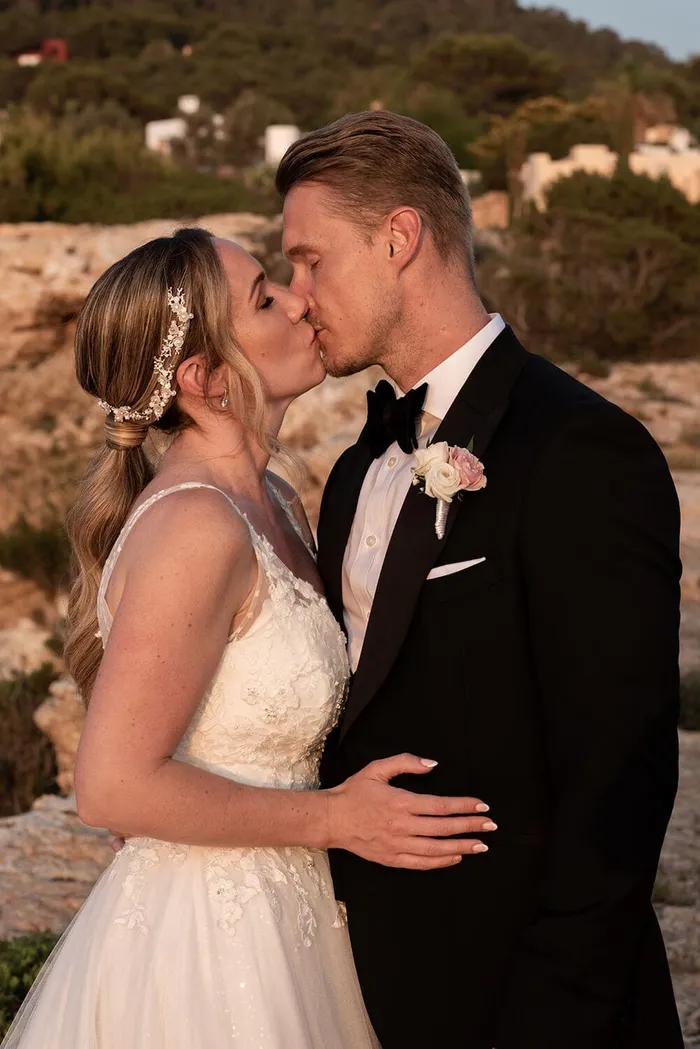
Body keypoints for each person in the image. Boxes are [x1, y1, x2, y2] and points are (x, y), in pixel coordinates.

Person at [1, 227, 497, 1049]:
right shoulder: (197, 525)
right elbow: (112, 786)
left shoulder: (272, 498)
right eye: (266, 298)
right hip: (208, 940)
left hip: (293, 908)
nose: (301, 302)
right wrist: (336, 819)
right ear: (202, 377)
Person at [276, 111, 684, 1049]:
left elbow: (618, 780)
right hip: (356, 982)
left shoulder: (584, 449)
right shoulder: (355, 467)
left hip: (530, 999)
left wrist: (551, 1018)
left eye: (311, 260)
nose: (298, 296)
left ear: (399, 238)